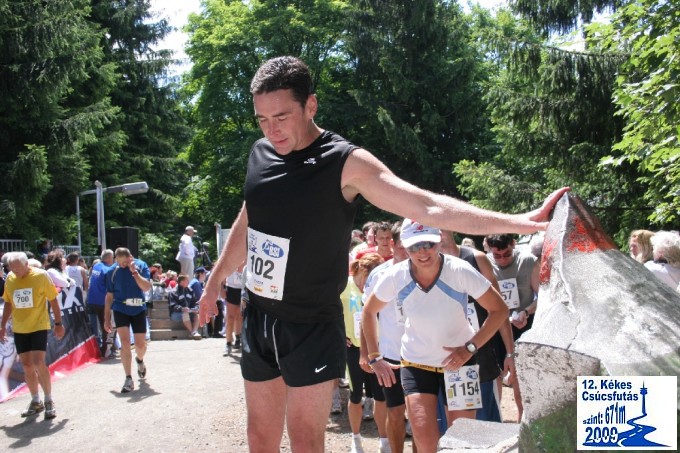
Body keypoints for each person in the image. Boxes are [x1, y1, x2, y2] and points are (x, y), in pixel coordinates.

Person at [198, 56, 568, 453]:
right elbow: (250, 217)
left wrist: (520, 222)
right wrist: (215, 279)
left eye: (282, 117)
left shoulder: (345, 162)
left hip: (309, 324)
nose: (272, 130)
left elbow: (427, 206)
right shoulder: (261, 152)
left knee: (305, 440)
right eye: (262, 120)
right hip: (260, 315)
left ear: (311, 105)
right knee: (259, 439)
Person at [362, 220, 507, 453]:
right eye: (414, 246)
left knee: (461, 441)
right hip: (416, 363)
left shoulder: (459, 269)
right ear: (404, 247)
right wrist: (374, 357)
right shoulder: (396, 275)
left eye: (428, 244)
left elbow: (499, 310)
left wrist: (470, 348)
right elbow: (369, 311)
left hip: (460, 362)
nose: (422, 252)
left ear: (439, 241)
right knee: (425, 440)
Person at [439, 231, 516, 423]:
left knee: (486, 425)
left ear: (451, 227)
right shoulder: (423, 265)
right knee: (449, 429)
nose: (438, 231)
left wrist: (510, 353)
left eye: (441, 226)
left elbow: (500, 310)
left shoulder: (476, 259)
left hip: (480, 358)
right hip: (442, 361)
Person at [360, 221, 411, 453]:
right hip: (391, 355)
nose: (406, 251)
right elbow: (366, 314)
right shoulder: (379, 274)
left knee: (419, 413)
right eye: (401, 246)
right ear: (392, 244)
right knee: (395, 411)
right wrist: (366, 353)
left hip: (422, 355)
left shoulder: (424, 271)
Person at [0, 252, 65, 419]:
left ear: (26, 264)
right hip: (20, 328)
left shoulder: (41, 276)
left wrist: (58, 324)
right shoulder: (10, 279)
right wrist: (2, 326)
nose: (14, 271)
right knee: (27, 365)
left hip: (38, 325)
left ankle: (48, 399)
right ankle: (36, 400)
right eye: (11, 268)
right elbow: (8, 302)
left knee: (38, 363)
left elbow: (53, 300)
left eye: (17, 268)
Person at [485, 233, 539, 422]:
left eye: (506, 254)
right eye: (497, 256)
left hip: (523, 324)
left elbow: (542, 296)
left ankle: (522, 419)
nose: (502, 260)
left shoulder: (528, 261)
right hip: (495, 326)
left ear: (513, 244)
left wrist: (526, 311)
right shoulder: (485, 263)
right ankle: (496, 420)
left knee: (520, 376)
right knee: (495, 375)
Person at [342, 253, 387, 453]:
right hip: (353, 348)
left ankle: (384, 440)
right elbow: (331, 311)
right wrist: (339, 333)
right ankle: (356, 439)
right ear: (363, 271)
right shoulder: (345, 287)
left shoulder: (381, 288)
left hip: (378, 349)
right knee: (355, 396)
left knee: (380, 396)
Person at [104, 248, 151, 393]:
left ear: (130, 257)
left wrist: (134, 273)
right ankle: (128, 378)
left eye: (125, 262)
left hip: (138, 309)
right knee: (125, 343)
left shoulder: (141, 265)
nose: (122, 265)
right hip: (120, 309)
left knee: (140, 346)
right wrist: (106, 318)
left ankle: (140, 360)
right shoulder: (112, 271)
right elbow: (109, 296)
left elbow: (146, 287)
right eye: (119, 263)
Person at [88, 249, 115, 357]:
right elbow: (111, 287)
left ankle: (106, 347)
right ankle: (106, 350)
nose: (113, 259)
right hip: (103, 301)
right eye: (112, 257)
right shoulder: (108, 270)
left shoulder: (96, 266)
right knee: (108, 325)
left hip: (93, 299)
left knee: (101, 324)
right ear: (109, 258)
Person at [168, 274, 202, 339]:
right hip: (176, 314)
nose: (189, 282)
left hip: (189, 312)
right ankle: (192, 332)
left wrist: (196, 308)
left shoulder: (190, 290)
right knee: (185, 313)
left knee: (197, 314)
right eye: (187, 281)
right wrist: (182, 309)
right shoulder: (173, 292)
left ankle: (194, 332)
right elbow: (173, 306)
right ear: (181, 282)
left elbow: (195, 302)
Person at [224, 265, 244, 355]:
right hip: (231, 288)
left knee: (239, 317)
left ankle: (238, 337)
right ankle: (228, 343)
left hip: (243, 287)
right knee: (230, 317)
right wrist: (222, 287)